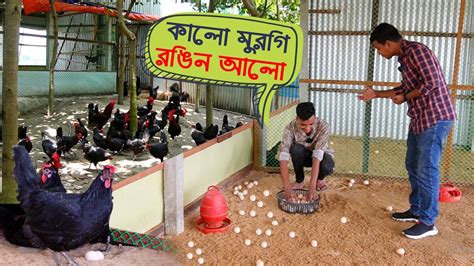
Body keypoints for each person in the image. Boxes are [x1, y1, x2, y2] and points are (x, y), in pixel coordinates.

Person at [358, 23, 456, 239]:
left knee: (427, 169)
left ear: (389, 43)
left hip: (435, 118)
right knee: (412, 164)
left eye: (378, 48)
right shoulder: (405, 56)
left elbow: (431, 83)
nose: (379, 52)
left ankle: (428, 222)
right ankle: (417, 210)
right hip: (421, 119)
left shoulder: (417, 51)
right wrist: (376, 94)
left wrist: (405, 98)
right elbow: (404, 89)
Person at [279, 102, 335, 202]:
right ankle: (299, 181)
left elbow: (317, 157)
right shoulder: (289, 128)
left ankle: (319, 180)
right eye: (303, 125)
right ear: (297, 119)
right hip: (303, 156)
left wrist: (312, 188)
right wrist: (287, 188)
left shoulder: (324, 126)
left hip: (320, 158)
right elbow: (283, 156)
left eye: (311, 124)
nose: (307, 128)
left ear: (315, 117)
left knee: (327, 165)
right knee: (296, 149)